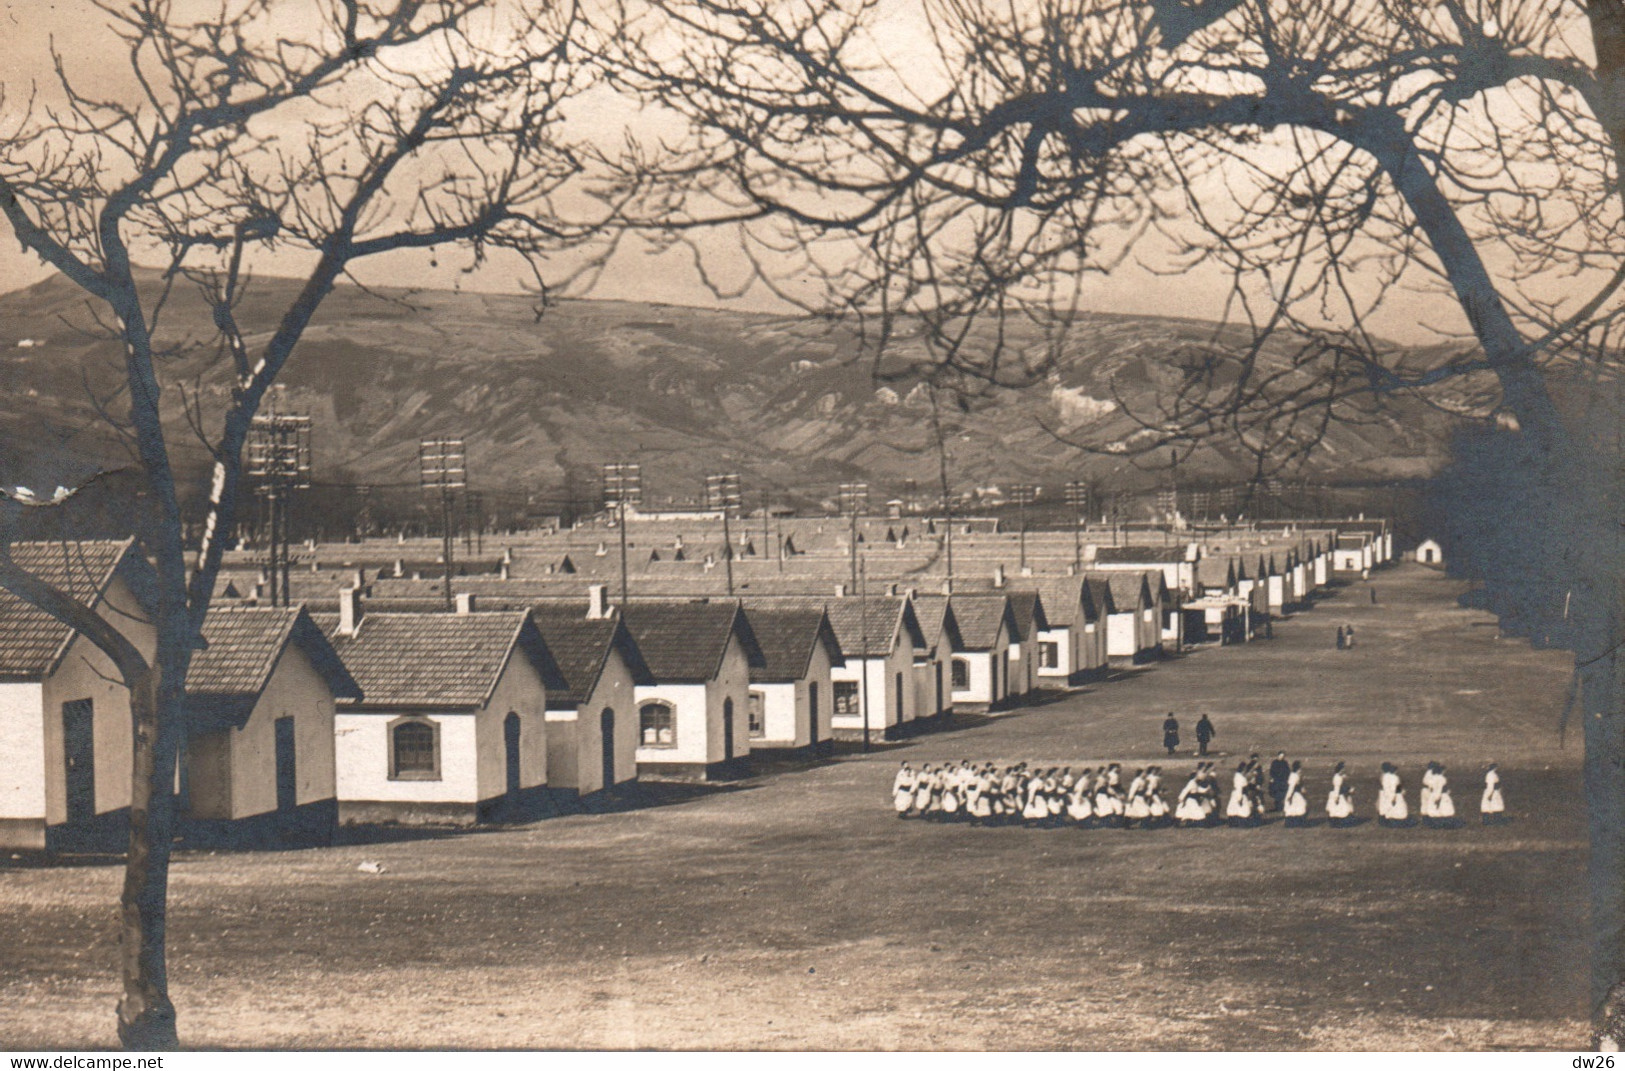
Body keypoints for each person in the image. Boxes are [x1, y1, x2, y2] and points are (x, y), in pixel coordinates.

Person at [1326, 761, 1355, 825]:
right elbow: (1337, 788)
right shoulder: (1338, 778)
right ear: (1340, 769)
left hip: (1340, 794)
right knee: (1343, 808)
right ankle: (1340, 822)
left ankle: (1339, 821)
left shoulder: (1339, 776)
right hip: (1339, 795)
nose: (1344, 770)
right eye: (1343, 769)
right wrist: (1336, 797)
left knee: (1340, 809)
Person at [1283, 760, 1308, 826]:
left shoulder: (1296, 775)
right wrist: (1290, 796)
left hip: (1296, 793)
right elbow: (1292, 787)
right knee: (1301, 805)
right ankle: (1295, 822)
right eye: (1300, 768)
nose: (1301, 770)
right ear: (1297, 768)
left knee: (1298, 807)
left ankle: (1296, 822)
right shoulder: (1294, 776)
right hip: (1294, 794)